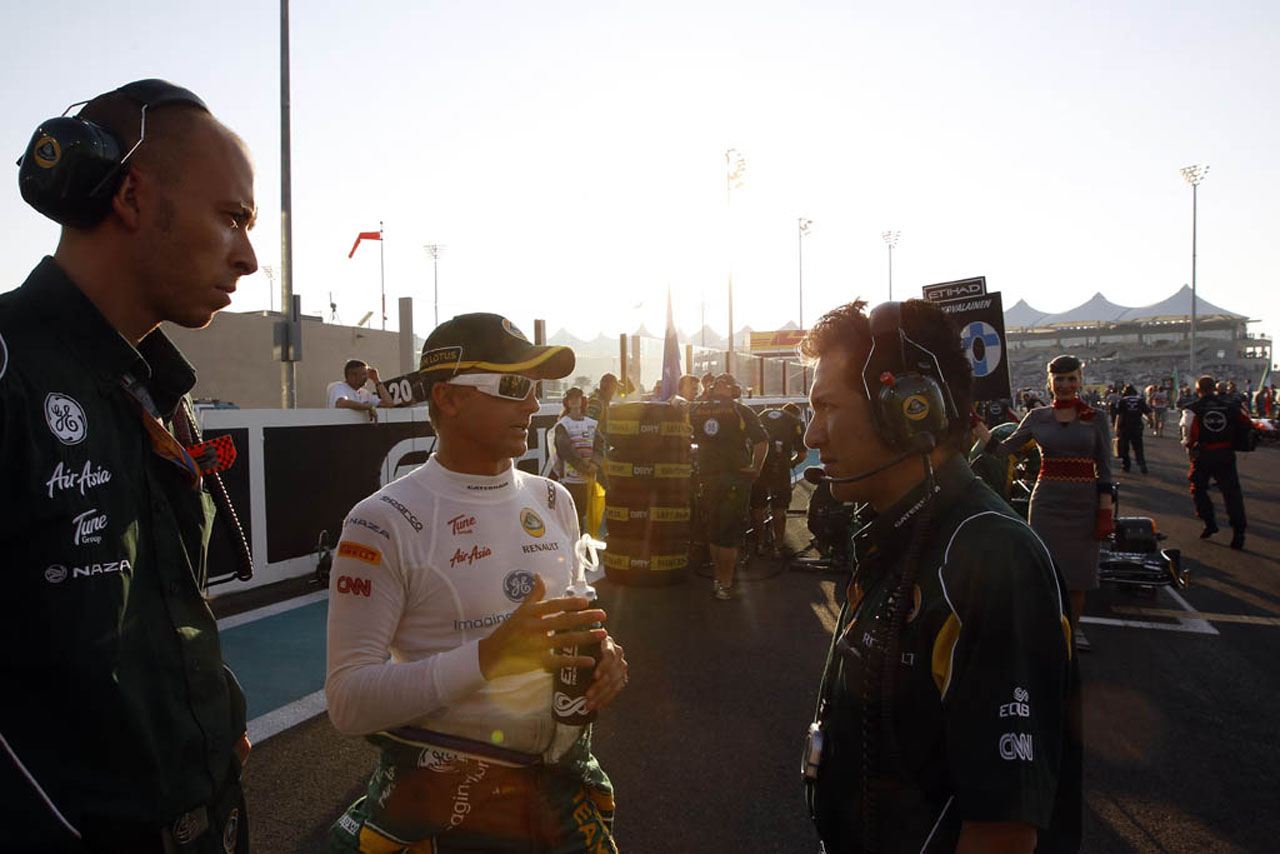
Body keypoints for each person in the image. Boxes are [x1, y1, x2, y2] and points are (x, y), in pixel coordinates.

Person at [1, 79, 255, 852]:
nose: (247, 255)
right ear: (134, 197)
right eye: (233, 217)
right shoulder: (11, 376)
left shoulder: (154, 388)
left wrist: (211, 714)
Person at [325, 312, 627, 853]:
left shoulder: (554, 500)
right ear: (447, 397)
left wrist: (604, 656)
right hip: (442, 811)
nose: (534, 405)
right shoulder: (381, 520)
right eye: (513, 387)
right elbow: (348, 702)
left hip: (559, 797)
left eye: (537, 388)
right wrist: (491, 655)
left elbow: (574, 624)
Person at [801, 300, 1080, 854]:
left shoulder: (989, 555)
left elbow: (1001, 829)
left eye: (826, 407)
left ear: (909, 409)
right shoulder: (900, 532)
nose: (811, 435)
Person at [976, 355, 1112, 652]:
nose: (1065, 385)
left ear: (1080, 380)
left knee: (1078, 577)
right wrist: (975, 424)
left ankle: (1072, 632)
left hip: (1084, 505)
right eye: (1059, 379)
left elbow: (1106, 468)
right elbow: (1000, 451)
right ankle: (1045, 629)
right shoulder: (1037, 418)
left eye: (1071, 378)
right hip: (1047, 502)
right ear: (1049, 382)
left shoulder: (1096, 417)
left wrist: (1105, 511)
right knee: (1044, 571)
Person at [689, 373, 767, 599]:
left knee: (716, 532)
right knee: (726, 534)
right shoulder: (741, 411)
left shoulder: (698, 410)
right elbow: (762, 440)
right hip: (732, 479)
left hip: (709, 478)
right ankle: (725, 584)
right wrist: (756, 469)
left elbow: (683, 430)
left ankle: (719, 581)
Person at [1184, 375, 1250, 550]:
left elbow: (1188, 432)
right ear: (1214, 388)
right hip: (1226, 453)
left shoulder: (1193, 408)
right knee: (1232, 493)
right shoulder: (1231, 406)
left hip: (1203, 455)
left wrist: (1190, 447)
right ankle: (1239, 531)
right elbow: (1246, 422)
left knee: (1198, 488)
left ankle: (1209, 522)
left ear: (1198, 389)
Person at [749, 402, 807, 557]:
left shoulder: (762, 415)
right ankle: (778, 546)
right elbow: (802, 455)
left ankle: (759, 544)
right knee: (779, 507)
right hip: (780, 468)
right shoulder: (794, 421)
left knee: (757, 506)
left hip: (759, 465)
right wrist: (790, 463)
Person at [550, 386, 605, 531]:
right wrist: (585, 467)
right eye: (571, 398)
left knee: (589, 518)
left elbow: (600, 446)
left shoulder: (591, 424)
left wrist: (595, 464)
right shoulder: (562, 425)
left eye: (577, 397)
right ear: (566, 402)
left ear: (583, 401)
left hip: (588, 481)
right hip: (569, 481)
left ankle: (585, 548)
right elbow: (565, 449)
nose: (574, 400)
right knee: (572, 518)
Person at [327, 358, 393, 419]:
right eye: (364, 374)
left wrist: (377, 381)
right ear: (352, 375)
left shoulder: (365, 393)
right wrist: (369, 407)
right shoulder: (338, 387)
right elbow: (341, 403)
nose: (367, 377)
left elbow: (389, 404)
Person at [1112, 383, 1151, 473]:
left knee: (1125, 448)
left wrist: (1116, 427)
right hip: (1137, 426)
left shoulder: (1122, 401)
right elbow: (1148, 413)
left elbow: (1119, 415)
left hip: (1124, 427)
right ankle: (1142, 464)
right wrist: (1150, 422)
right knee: (1138, 447)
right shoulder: (1140, 400)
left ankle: (1126, 465)